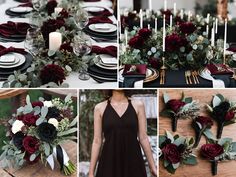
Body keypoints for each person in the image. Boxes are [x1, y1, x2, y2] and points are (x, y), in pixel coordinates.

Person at [88, 90, 157, 177]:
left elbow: (143, 137)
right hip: (109, 161)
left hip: (133, 161)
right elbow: (97, 141)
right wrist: (91, 173)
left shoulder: (138, 105)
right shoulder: (100, 108)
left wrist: (152, 166)